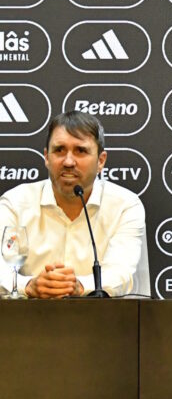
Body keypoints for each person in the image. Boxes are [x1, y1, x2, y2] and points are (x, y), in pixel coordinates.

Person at [0, 111, 149, 298]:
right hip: (25, 322)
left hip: (100, 323)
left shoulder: (125, 205)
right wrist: (29, 285)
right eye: (59, 150)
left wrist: (78, 286)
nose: (69, 161)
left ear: (101, 161)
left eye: (81, 151)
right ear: (46, 157)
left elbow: (121, 273)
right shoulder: (15, 202)